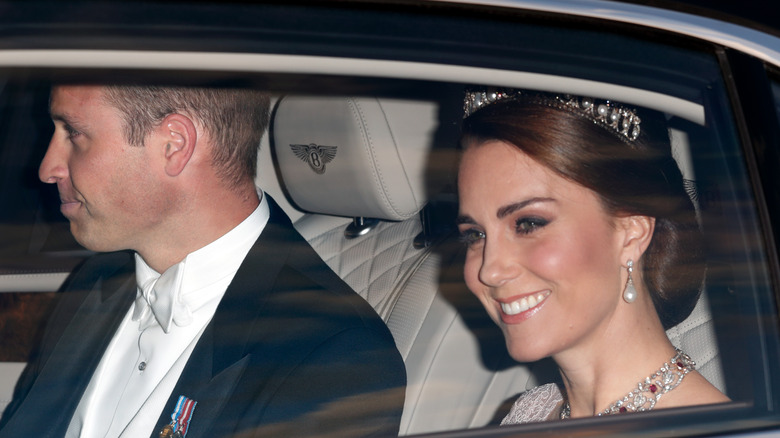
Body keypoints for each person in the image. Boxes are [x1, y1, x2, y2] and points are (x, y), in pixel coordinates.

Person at [0, 84, 406, 437]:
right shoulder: (96, 281)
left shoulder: (335, 357)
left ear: (174, 145)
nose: (47, 169)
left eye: (73, 133)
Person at [455, 90, 729, 424]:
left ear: (632, 232)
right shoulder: (531, 412)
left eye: (528, 224)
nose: (491, 270)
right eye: (476, 235)